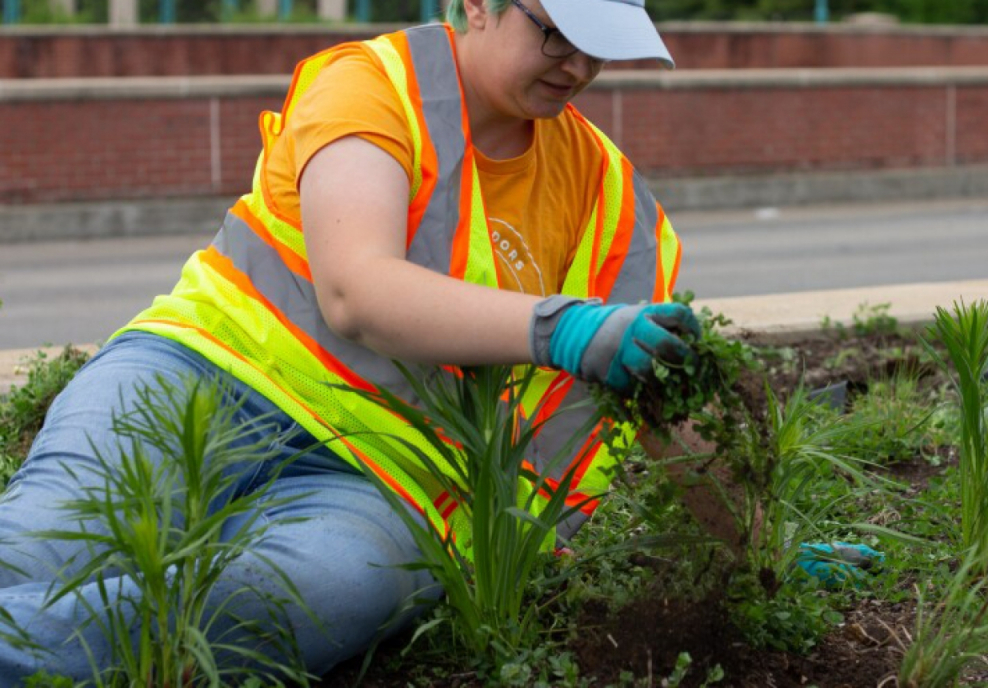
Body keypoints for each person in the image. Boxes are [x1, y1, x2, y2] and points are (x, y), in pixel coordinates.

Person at [0, 0, 703, 681]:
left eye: (600, 47)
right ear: (479, 4)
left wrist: (768, 543)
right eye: (557, 36)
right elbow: (355, 289)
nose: (578, 66)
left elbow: (663, 388)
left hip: (378, 479)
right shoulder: (376, 84)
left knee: (300, 597)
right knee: (41, 544)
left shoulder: (612, 201)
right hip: (204, 377)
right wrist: (564, 329)